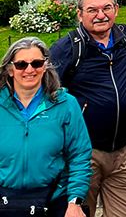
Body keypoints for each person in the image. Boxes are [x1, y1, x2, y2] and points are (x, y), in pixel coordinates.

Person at [51, 0, 126, 217]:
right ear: (79, 14)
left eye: (107, 8)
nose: (101, 15)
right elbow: (42, 91)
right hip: (84, 156)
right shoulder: (68, 48)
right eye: (92, 10)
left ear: (116, 9)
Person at [0, 37, 92, 217]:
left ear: (45, 66)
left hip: (53, 199)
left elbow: (80, 155)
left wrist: (75, 201)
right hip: (5, 200)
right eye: (21, 65)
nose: (29, 70)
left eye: (36, 63)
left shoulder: (66, 104)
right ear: (10, 70)